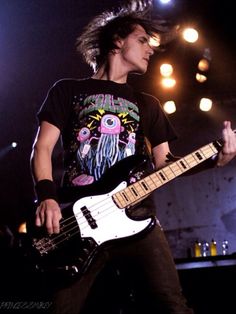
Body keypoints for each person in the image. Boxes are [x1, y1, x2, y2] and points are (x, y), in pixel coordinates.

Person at [30, 1, 236, 313]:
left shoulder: (148, 104)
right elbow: (42, 148)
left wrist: (213, 158)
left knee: (171, 305)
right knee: (60, 308)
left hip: (137, 220)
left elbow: (164, 164)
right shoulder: (68, 90)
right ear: (117, 40)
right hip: (80, 218)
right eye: (142, 40)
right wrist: (46, 196)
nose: (151, 50)